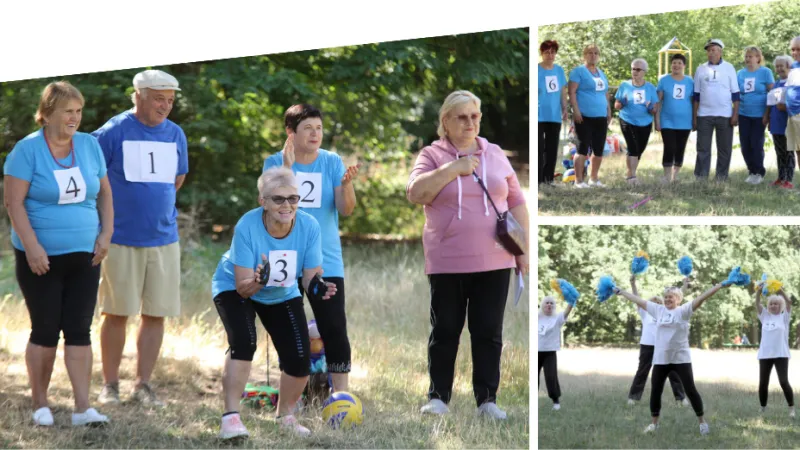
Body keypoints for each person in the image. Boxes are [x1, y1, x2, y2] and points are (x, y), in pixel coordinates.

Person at [406, 90, 529, 419]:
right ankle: (438, 398)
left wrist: (524, 250)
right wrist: (453, 169)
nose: (470, 122)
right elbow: (415, 193)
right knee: (445, 329)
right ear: (445, 122)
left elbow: (516, 201)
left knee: (488, 331)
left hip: (496, 258)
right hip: (447, 259)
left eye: (475, 116)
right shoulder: (432, 155)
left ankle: (487, 401)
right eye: (461, 117)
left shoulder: (496, 153)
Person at [3, 81, 113, 426]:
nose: (75, 118)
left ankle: (83, 408)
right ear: (48, 113)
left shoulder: (90, 146)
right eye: (68, 111)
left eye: (79, 112)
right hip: (40, 257)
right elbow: (13, 203)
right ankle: (40, 405)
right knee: (46, 328)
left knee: (80, 328)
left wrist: (107, 233)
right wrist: (32, 246)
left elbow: (105, 194)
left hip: (85, 255)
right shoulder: (27, 150)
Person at [211, 167, 337, 439]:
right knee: (244, 341)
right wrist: (259, 280)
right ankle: (231, 417)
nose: (287, 205)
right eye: (278, 199)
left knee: (300, 355)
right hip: (235, 286)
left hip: (281, 292)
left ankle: (285, 415)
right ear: (263, 202)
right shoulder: (247, 225)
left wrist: (318, 287)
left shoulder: (308, 226)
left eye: (293, 198)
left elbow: (309, 277)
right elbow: (243, 288)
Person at [91, 70, 189, 407]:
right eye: (159, 99)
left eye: (170, 101)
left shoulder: (175, 134)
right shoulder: (113, 131)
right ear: (138, 96)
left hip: (163, 239)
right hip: (119, 238)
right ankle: (110, 385)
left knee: (156, 314)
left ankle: (143, 385)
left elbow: (177, 179)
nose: (165, 106)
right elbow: (93, 177)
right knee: (116, 313)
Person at [263, 104, 359, 393]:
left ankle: (340, 393)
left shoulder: (331, 162)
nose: (315, 133)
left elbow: (346, 210)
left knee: (334, 328)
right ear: (290, 133)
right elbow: (269, 206)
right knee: (289, 330)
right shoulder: (274, 163)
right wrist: (288, 168)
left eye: (319, 128)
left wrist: (347, 185)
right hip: (286, 258)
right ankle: (295, 391)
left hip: (325, 260)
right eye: (308, 128)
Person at [614, 278, 734, 435]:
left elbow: (702, 297)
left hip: (680, 359)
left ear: (678, 299)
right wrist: (621, 292)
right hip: (661, 359)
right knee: (655, 391)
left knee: (690, 390)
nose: (667, 299)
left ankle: (702, 422)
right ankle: (654, 424)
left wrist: (720, 285)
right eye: (666, 296)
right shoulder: (658, 310)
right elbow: (639, 300)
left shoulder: (683, 311)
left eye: (671, 296)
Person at [626, 276, 687, 407]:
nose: (656, 303)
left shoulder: (664, 313)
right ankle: (634, 398)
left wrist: (685, 285)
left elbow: (677, 298)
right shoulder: (644, 313)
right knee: (642, 371)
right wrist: (633, 283)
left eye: (658, 302)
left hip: (664, 346)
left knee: (673, 372)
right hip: (647, 345)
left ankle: (680, 399)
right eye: (653, 302)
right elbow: (636, 298)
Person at [693, 38, 740, 181]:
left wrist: (735, 114)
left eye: (713, 50)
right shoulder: (700, 69)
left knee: (724, 149)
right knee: (703, 148)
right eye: (708, 50)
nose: (710, 53)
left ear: (720, 51)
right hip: (704, 115)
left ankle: (721, 177)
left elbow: (736, 94)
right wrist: (694, 117)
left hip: (725, 115)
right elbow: (696, 96)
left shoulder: (729, 68)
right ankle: (701, 177)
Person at [568, 44, 612, 188]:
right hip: (584, 116)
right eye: (589, 53)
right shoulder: (578, 72)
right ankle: (578, 181)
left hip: (601, 116)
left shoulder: (601, 73)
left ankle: (593, 179)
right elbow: (572, 92)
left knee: (598, 149)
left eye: (595, 53)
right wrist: (576, 110)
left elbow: (605, 93)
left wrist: (609, 110)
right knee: (582, 148)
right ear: (584, 55)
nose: (593, 55)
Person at [614, 58, 658, 185]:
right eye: (633, 69)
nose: (635, 72)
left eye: (638, 69)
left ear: (644, 71)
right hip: (627, 120)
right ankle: (632, 177)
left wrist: (651, 108)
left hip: (645, 122)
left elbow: (655, 108)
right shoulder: (625, 85)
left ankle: (630, 173)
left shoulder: (650, 87)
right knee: (633, 147)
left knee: (639, 149)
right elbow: (616, 105)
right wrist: (622, 102)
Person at [754, 283, 795, 417]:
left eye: (776, 304)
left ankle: (791, 408)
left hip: (781, 354)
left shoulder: (784, 317)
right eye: (771, 304)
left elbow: (789, 302)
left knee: (783, 381)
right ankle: (763, 408)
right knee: (763, 383)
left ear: (780, 306)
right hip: (765, 355)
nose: (773, 305)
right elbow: (757, 302)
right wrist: (759, 292)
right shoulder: (764, 316)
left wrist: (779, 290)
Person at [737, 46, 775, 185]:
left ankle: (759, 172)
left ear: (758, 58)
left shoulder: (765, 72)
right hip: (743, 113)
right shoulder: (740, 73)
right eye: (746, 56)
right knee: (745, 144)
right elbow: (736, 94)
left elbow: (772, 94)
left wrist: (768, 114)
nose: (748, 59)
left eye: (751, 56)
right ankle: (751, 171)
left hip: (759, 115)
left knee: (756, 143)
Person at [656, 53, 695, 183]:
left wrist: (695, 119)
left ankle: (675, 176)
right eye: (674, 63)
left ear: (684, 65)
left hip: (685, 121)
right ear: (671, 65)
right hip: (667, 121)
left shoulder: (690, 81)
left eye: (679, 63)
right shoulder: (664, 80)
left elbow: (693, 102)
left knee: (680, 148)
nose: (676, 65)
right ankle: (666, 176)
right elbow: (658, 101)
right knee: (669, 147)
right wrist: (656, 120)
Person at [538, 40, 568, 185]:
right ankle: (538, 179)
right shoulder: (536, 69)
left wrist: (565, 108)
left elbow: (563, 91)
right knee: (539, 147)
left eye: (552, 52)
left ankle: (548, 179)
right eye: (546, 52)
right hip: (538, 114)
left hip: (554, 115)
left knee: (552, 148)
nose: (550, 55)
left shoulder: (559, 70)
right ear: (541, 54)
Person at [538, 296, 571, 411]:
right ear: (542, 305)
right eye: (547, 303)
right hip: (536, 352)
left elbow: (567, 311)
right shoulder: (537, 317)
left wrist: (571, 301)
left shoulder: (557, 318)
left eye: (551, 303)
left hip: (550, 352)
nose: (549, 305)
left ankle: (556, 402)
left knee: (551, 377)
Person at [766, 55, 794, 188]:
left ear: (788, 66)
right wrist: (769, 119)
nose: (779, 69)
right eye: (777, 66)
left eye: (781, 65)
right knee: (779, 152)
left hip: (789, 123)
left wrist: (786, 106)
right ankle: (780, 177)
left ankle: (788, 179)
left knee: (788, 152)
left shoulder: (793, 82)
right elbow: (771, 103)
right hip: (776, 123)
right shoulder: (776, 83)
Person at [784, 36, 800, 174]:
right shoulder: (793, 67)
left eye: (798, 49)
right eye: (793, 49)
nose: (795, 53)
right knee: (798, 150)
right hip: (792, 114)